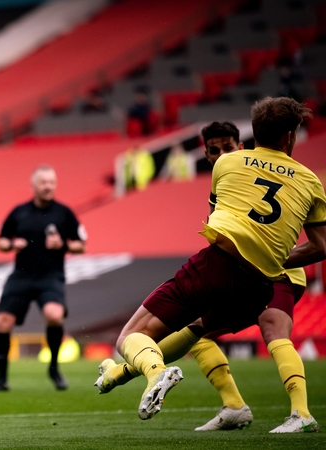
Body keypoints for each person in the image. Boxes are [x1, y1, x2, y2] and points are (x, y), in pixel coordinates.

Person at [94, 97, 326, 426]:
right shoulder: (311, 181)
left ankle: (155, 372)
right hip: (262, 283)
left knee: (133, 334)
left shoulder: (227, 165)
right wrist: (274, 254)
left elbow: (220, 220)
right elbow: (322, 246)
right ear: (290, 136)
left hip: (222, 265)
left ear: (251, 134)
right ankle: (230, 404)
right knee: (196, 330)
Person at [0, 165, 86, 392]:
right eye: (43, 182)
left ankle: (53, 368)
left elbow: (81, 244)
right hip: (21, 275)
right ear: (33, 186)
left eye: (51, 182)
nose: (48, 186)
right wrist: (13, 244)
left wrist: (64, 244)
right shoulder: (19, 212)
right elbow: (1, 242)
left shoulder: (64, 213)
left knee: (54, 315)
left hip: (50, 276)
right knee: (3, 322)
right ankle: (1, 379)